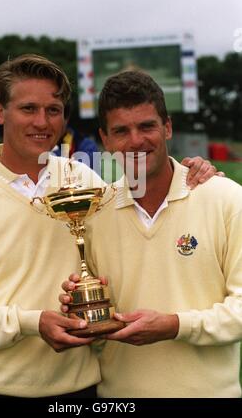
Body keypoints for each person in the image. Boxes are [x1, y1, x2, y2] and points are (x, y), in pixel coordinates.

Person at [0, 54, 219, 399]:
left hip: (78, 389)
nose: (42, 122)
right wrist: (30, 323)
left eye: (53, 110)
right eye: (28, 109)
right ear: (1, 112)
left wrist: (196, 172)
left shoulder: (82, 178)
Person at [60, 70, 242, 398]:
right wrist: (80, 313)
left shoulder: (226, 198)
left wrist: (175, 326)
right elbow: (97, 330)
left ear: (167, 127)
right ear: (104, 139)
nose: (135, 141)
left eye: (146, 126)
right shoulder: (95, 213)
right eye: (121, 131)